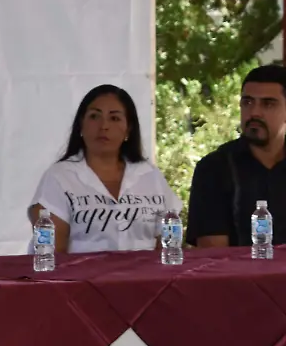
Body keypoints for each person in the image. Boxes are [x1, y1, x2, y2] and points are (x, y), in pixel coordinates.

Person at [28, 84, 181, 252]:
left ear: (128, 129)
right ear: (81, 124)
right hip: (82, 276)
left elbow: (170, 243)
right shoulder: (60, 177)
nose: (104, 126)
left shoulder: (150, 176)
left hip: (144, 276)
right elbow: (51, 253)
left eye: (114, 118)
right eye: (94, 116)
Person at [187, 64, 286, 247]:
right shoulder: (214, 168)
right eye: (247, 102)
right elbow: (212, 256)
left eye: (268, 104)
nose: (254, 112)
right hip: (238, 275)